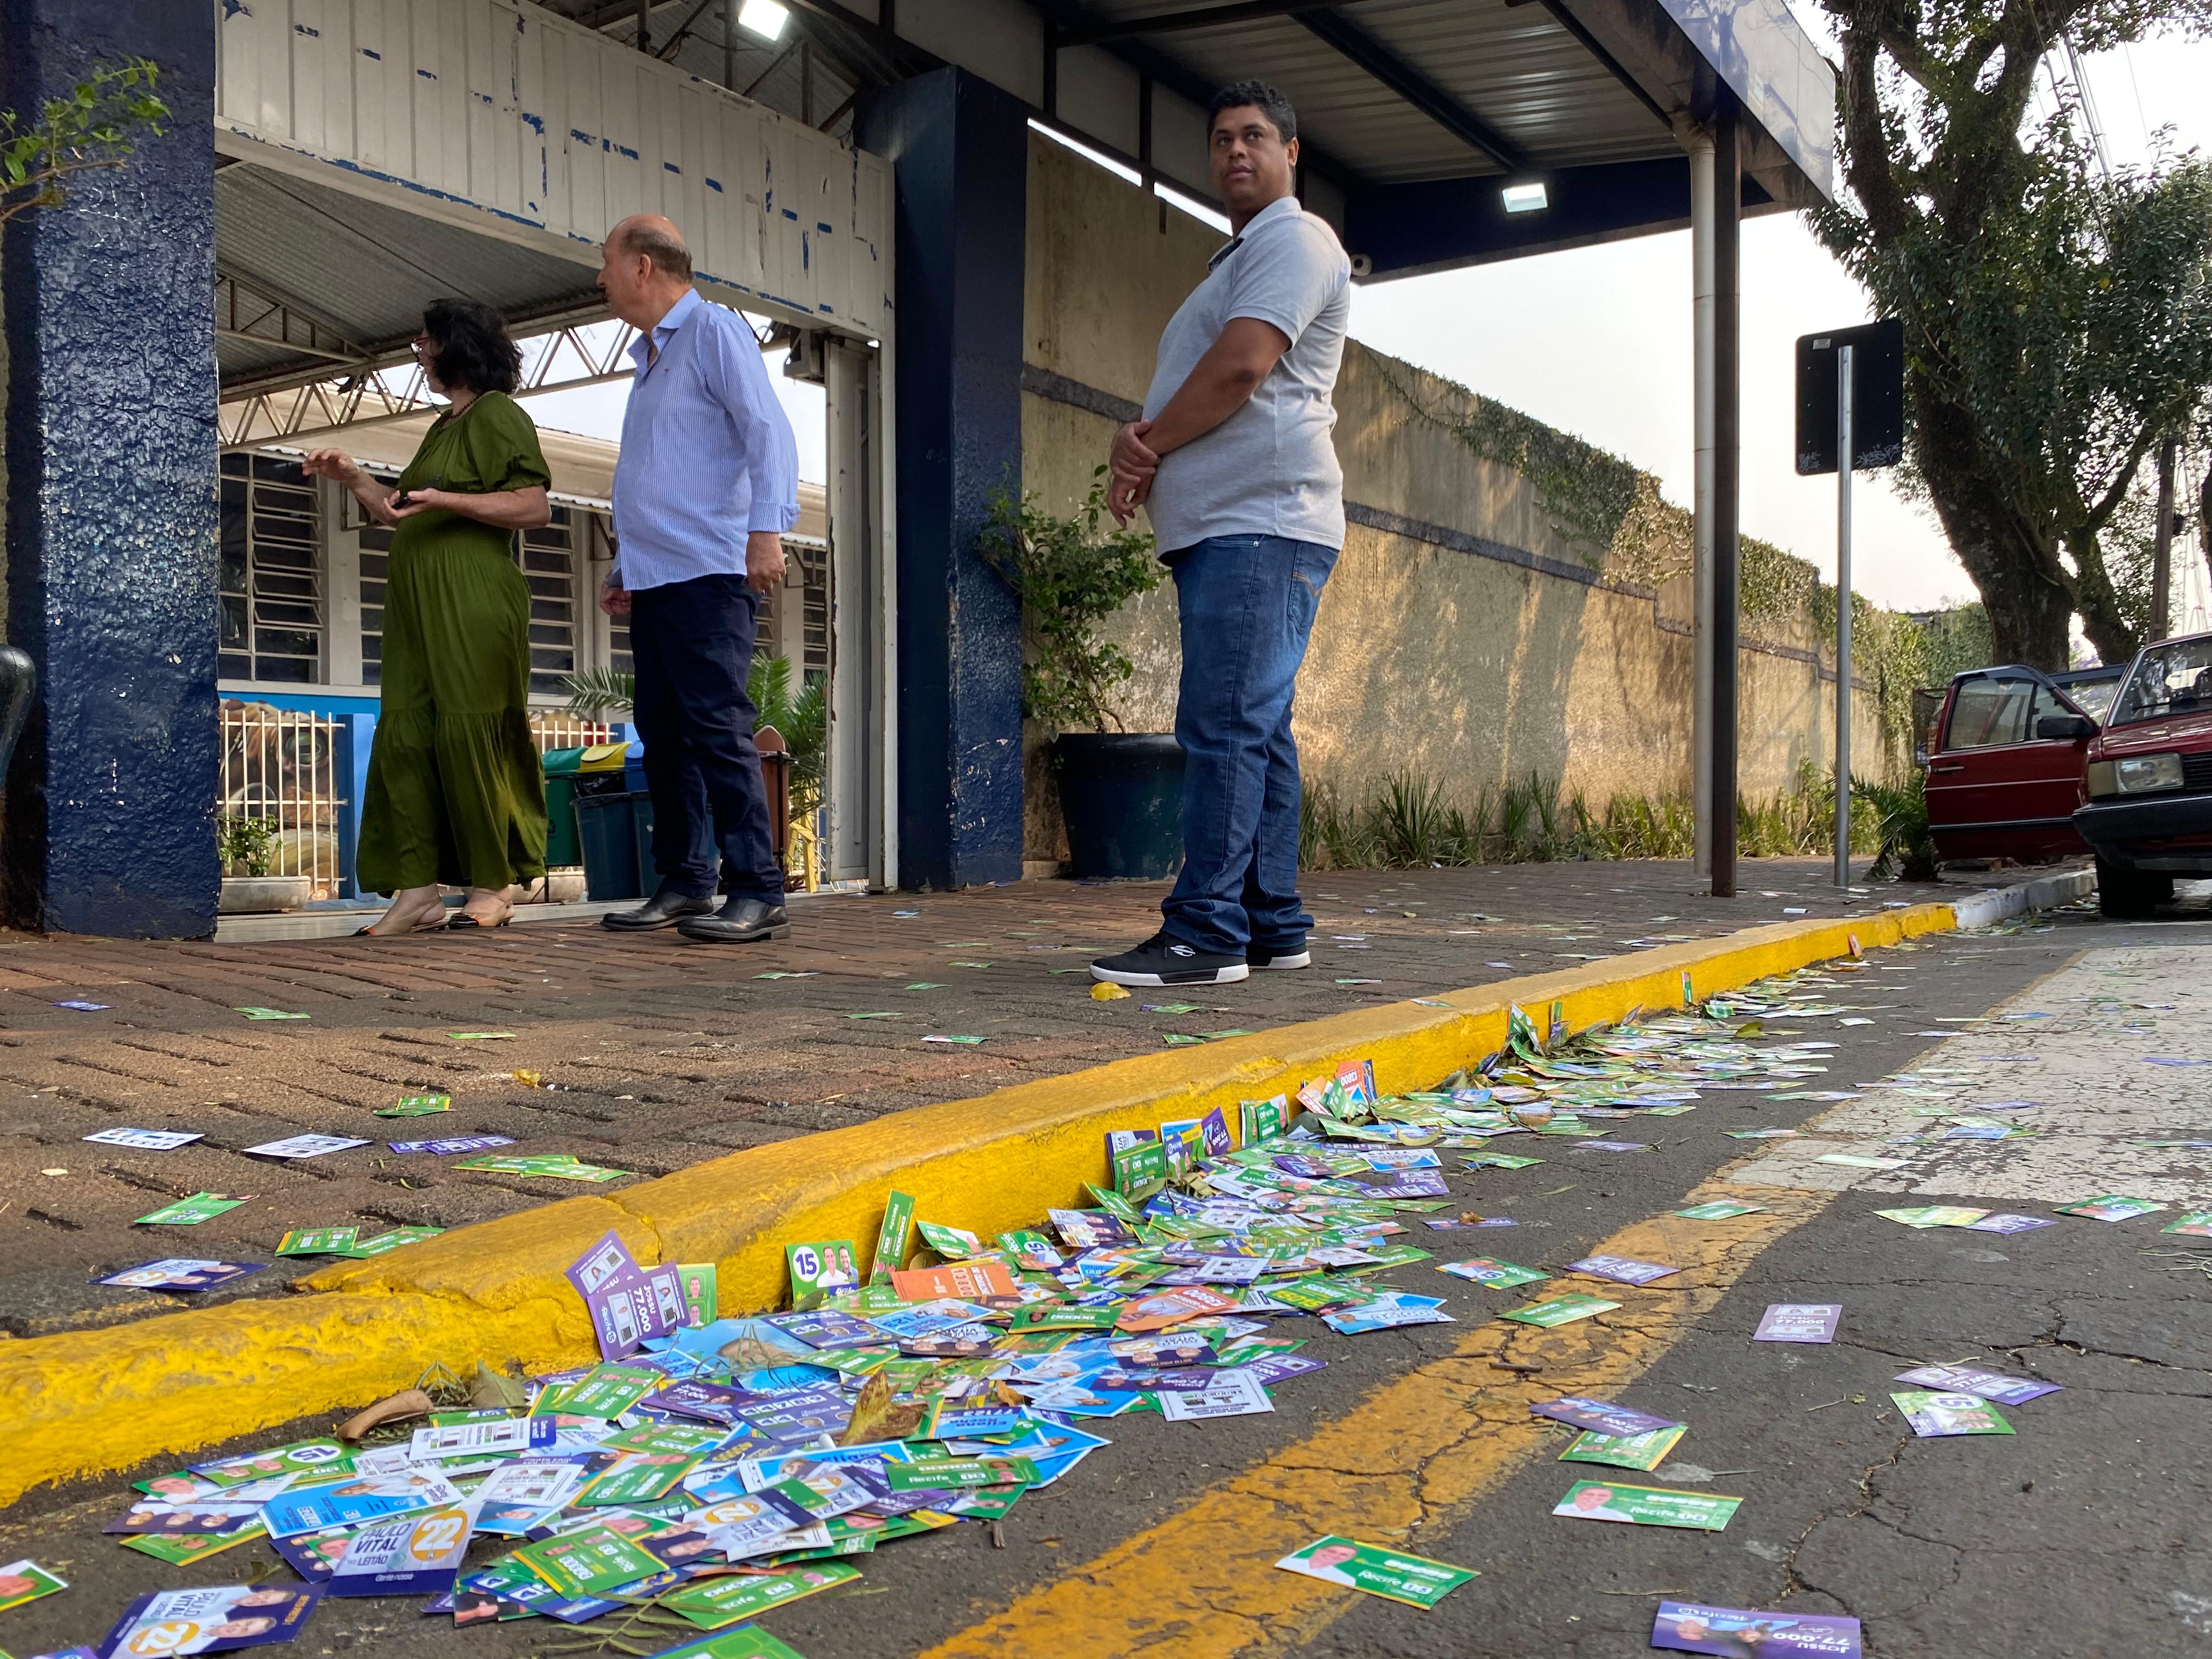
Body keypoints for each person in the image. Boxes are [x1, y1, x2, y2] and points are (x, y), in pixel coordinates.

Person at [1091, 82, 1351, 988]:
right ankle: (1270, 920)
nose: (1234, 152)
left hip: (1262, 521)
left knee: (1223, 727)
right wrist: (1148, 441)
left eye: (1252, 137)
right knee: (1256, 730)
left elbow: (1243, 364)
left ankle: (1204, 927)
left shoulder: (1292, 237)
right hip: (1234, 526)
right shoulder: (1237, 256)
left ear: (1290, 153)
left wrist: (1144, 447)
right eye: (1219, 141)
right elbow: (1217, 368)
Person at [305, 301, 554, 934]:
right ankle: (418, 891)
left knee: (467, 729)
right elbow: (399, 513)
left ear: (457, 347)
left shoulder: (499, 415)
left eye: (426, 342)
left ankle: (492, 887)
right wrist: (355, 478)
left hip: (472, 596)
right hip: (416, 600)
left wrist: (449, 497)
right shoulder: (443, 426)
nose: (420, 352)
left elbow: (532, 506)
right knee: (411, 732)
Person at [591, 214, 801, 944]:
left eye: (608, 262)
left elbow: (766, 430)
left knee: (717, 731)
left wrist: (768, 529)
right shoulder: (648, 358)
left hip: (711, 569)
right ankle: (685, 881)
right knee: (665, 734)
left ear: (644, 266)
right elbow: (657, 469)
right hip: (658, 576)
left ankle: (758, 887)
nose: (601, 277)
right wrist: (627, 565)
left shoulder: (712, 330)